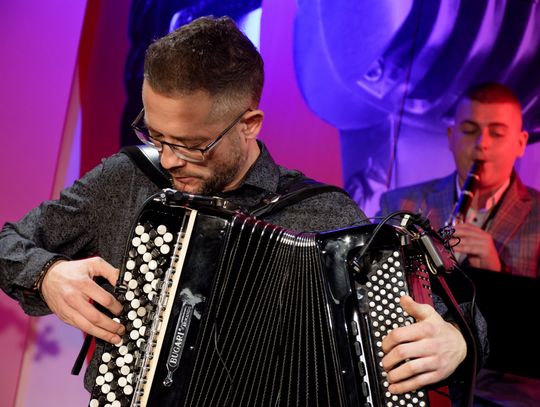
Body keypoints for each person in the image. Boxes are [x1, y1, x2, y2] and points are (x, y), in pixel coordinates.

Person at [0, 16, 484, 403]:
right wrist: (48, 275)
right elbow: (8, 242)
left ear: (249, 123)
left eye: (191, 145)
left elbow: (459, 319)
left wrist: (457, 343)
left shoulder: (326, 218)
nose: (168, 159)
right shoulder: (127, 178)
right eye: (156, 134)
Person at [378, 82, 540, 405]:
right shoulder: (399, 204)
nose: (482, 144)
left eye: (497, 133)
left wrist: (497, 274)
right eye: (469, 130)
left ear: (521, 143)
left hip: (507, 396)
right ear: (451, 137)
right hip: (421, 382)